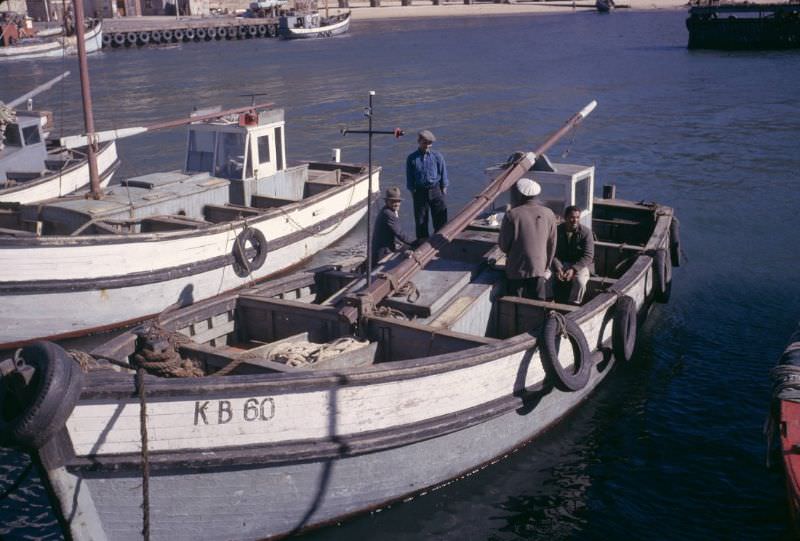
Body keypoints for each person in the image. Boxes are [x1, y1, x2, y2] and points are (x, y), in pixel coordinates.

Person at [498, 178, 557, 300]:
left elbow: (504, 246)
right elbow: (552, 244)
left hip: (516, 269)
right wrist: (546, 265)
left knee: (516, 304)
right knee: (539, 304)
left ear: (520, 194)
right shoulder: (549, 213)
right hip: (539, 267)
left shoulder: (512, 215)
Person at [406, 129, 449, 240]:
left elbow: (443, 173)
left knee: (440, 217)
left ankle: (439, 240)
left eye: (429, 143)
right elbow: (410, 177)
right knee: (421, 219)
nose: (427, 146)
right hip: (420, 191)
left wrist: (444, 188)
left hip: (436, 189)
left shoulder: (437, 156)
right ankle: (422, 241)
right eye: (425, 143)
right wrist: (412, 191)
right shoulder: (412, 158)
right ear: (419, 141)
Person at [552, 205, 594, 305]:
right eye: (571, 217)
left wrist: (574, 269)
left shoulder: (586, 232)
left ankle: (573, 304)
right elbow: (552, 252)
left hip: (580, 264)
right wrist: (558, 267)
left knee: (580, 282)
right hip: (560, 263)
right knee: (545, 276)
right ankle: (548, 302)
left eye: (577, 217)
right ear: (565, 217)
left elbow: (588, 256)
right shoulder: (557, 231)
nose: (575, 220)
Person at [371, 186, 416, 266]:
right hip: (382, 253)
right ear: (387, 202)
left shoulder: (387, 211)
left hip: (383, 248)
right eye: (392, 201)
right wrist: (415, 242)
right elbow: (400, 233)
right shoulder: (389, 214)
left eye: (398, 201)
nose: (396, 203)